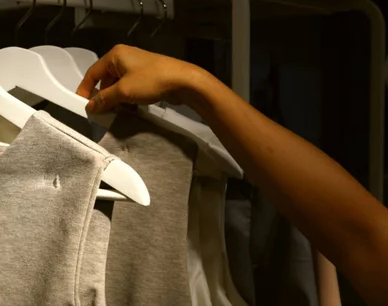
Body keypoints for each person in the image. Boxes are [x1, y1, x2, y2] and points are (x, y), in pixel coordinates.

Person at [76, 44, 388, 306]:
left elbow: (365, 238)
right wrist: (192, 83)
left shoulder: (186, 160)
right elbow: (366, 236)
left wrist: (192, 83)